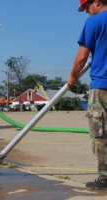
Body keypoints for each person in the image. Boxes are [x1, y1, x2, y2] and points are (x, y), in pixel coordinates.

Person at [67, 0, 107, 190]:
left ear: (96, 2)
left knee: (100, 134)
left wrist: (72, 77)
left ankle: (105, 177)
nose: (87, 13)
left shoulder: (95, 22)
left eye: (87, 8)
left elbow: (82, 56)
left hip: (102, 86)